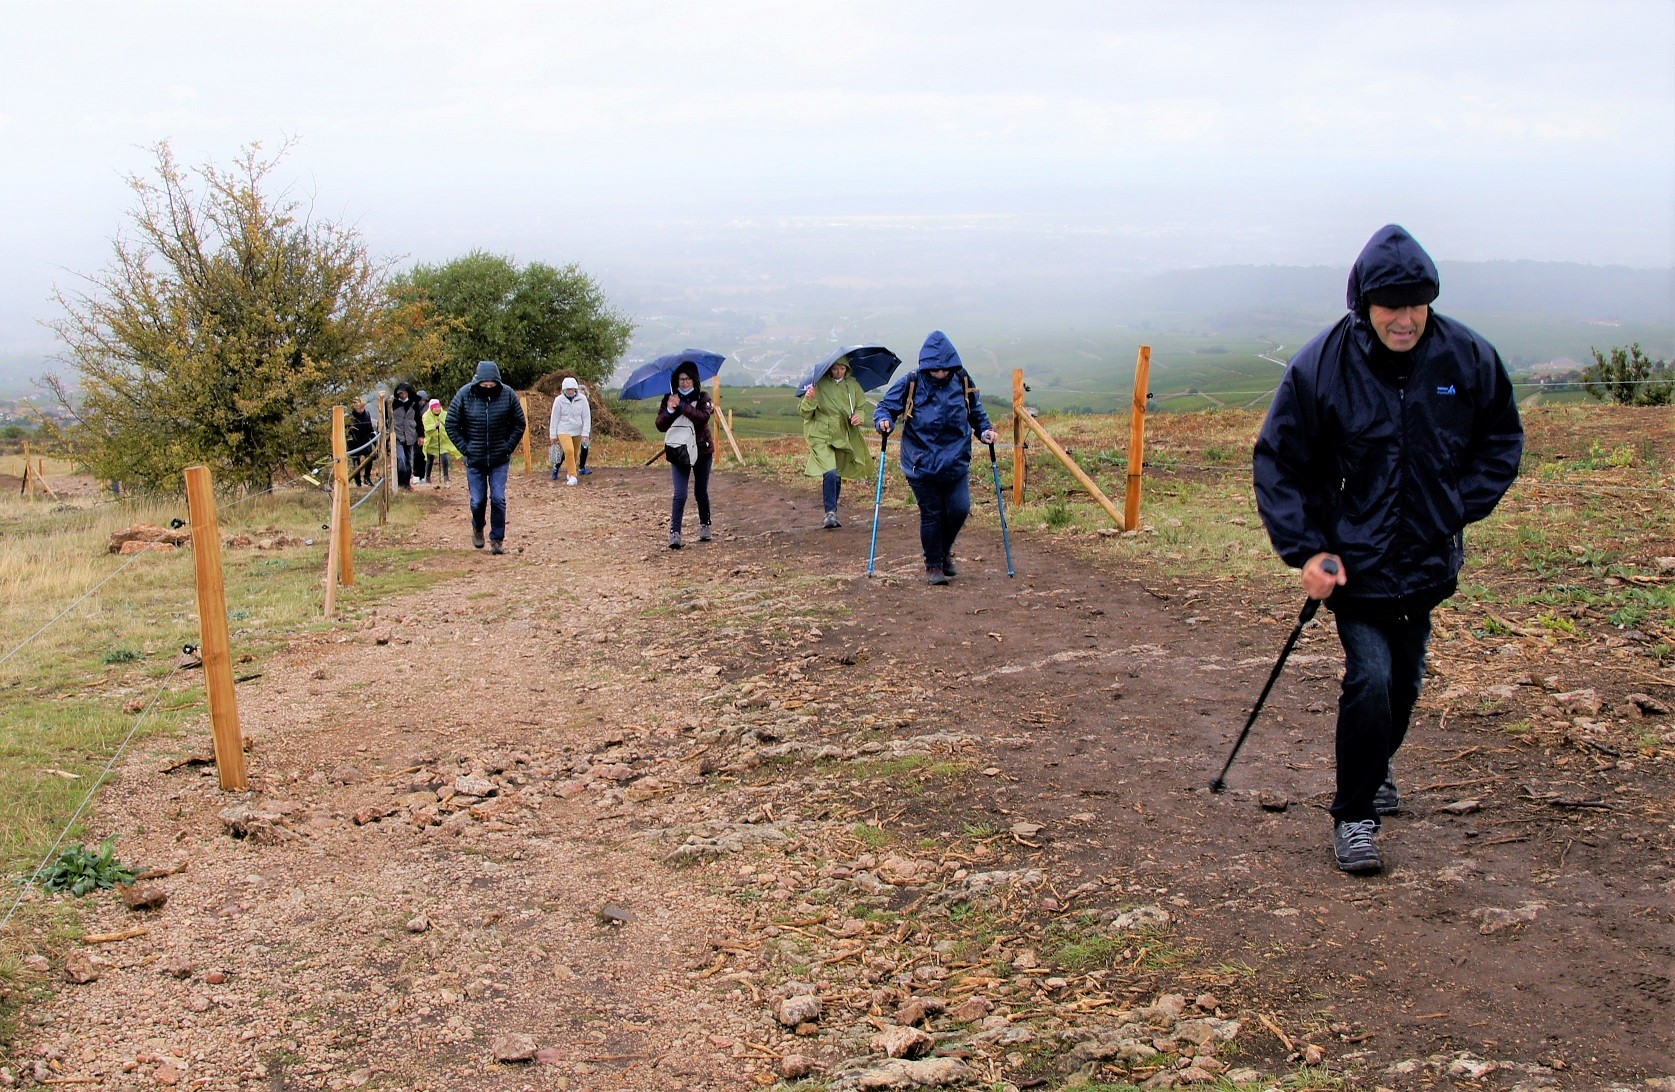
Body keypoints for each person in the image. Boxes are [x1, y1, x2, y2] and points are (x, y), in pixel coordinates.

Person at [1254, 224, 1524, 876]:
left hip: (1426, 558)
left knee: (1403, 682)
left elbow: (1500, 441)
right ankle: (1353, 817)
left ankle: (1375, 770)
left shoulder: (1464, 358)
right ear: (1364, 304)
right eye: (1389, 306)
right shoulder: (1322, 366)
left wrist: (1453, 507)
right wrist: (1307, 551)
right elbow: (1280, 463)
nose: (1403, 320)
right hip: (1356, 562)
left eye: (1415, 304)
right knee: (1370, 679)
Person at [874, 331, 997, 585]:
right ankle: (933, 566)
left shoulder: (961, 379)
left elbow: (976, 410)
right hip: (921, 462)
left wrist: (985, 430)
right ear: (926, 366)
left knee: (959, 510)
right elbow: (886, 407)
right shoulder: (912, 382)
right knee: (932, 514)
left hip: (956, 460)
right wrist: (883, 420)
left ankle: (943, 552)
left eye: (945, 369)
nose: (941, 374)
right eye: (935, 370)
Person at [445, 361, 527, 555]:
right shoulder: (465, 394)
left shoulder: (508, 394)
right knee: (477, 501)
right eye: (485, 385)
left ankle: (497, 539)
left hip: (500, 458)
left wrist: (508, 447)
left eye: (492, 384)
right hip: (474, 459)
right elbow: (451, 424)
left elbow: (519, 423)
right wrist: (466, 448)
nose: (489, 387)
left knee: (498, 498)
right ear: (478, 381)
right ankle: (478, 526)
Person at [799, 356, 874, 529]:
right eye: (835, 369)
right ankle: (830, 513)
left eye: (842, 368)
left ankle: (833, 511)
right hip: (820, 434)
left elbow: (861, 407)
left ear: (847, 368)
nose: (839, 372)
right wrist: (809, 398)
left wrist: (858, 416)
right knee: (830, 471)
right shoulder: (818, 385)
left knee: (838, 472)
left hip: (843, 433)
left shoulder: (853, 386)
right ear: (829, 369)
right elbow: (804, 413)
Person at [654, 361, 715, 549]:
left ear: (694, 380)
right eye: (681, 379)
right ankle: (675, 533)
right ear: (676, 380)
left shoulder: (703, 397)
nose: (685, 382)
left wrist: (681, 405)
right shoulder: (669, 398)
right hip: (679, 451)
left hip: (702, 450)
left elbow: (702, 418)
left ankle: (705, 525)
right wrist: (670, 409)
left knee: (700, 491)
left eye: (688, 379)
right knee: (680, 494)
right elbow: (660, 425)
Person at [548, 376, 592, 486]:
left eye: (572, 389)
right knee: (569, 450)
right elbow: (555, 418)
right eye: (568, 390)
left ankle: (569, 472)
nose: (570, 391)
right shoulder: (559, 400)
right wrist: (553, 435)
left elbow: (586, 417)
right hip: (563, 429)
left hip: (577, 429)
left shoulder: (582, 399)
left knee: (575, 452)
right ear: (564, 390)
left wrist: (585, 433)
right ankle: (573, 475)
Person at [390, 381, 425, 491]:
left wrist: (421, 436)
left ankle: (406, 484)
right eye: (400, 393)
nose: (403, 395)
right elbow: (387, 420)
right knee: (401, 460)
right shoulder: (392, 404)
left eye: (404, 393)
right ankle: (400, 483)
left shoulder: (414, 404)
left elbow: (418, 421)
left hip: (410, 436)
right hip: (397, 435)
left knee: (408, 461)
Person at [422, 398, 459, 487]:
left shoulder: (445, 414)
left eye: (438, 406)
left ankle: (446, 476)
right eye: (435, 407)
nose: (437, 409)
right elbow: (427, 428)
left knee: (445, 457)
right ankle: (427, 477)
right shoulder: (426, 416)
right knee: (430, 459)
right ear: (431, 408)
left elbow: (450, 425)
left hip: (443, 440)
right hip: (431, 440)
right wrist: (434, 426)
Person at [347, 396, 376, 487]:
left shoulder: (367, 415)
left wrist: (375, 443)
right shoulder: (350, 418)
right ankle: (358, 482)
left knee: (369, 459)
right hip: (354, 443)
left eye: (362, 407)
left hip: (365, 441)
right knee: (356, 463)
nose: (361, 409)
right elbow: (347, 433)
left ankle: (367, 478)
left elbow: (371, 430)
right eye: (359, 408)